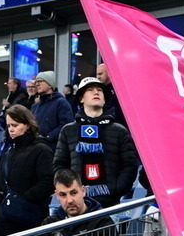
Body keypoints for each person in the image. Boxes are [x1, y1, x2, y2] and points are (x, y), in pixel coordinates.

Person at [53, 76, 139, 207]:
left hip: (110, 202)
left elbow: (129, 165)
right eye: (90, 90)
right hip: (77, 203)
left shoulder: (119, 131)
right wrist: (70, 191)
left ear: (104, 99)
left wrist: (116, 189)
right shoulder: (68, 130)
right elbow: (60, 165)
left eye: (99, 90)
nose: (96, 92)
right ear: (81, 98)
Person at [0, 104, 54, 236]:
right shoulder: (8, 151)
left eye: (15, 125)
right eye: (9, 126)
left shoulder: (41, 149)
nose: (11, 129)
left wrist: (24, 199)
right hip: (4, 219)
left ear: (27, 125)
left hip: (30, 218)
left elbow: (48, 181)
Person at [30, 71, 74, 149]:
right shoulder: (35, 106)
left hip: (54, 150)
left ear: (50, 84)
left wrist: (47, 138)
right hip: (36, 149)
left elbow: (66, 125)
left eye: (40, 81)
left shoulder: (61, 103)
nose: (37, 84)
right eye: (36, 82)